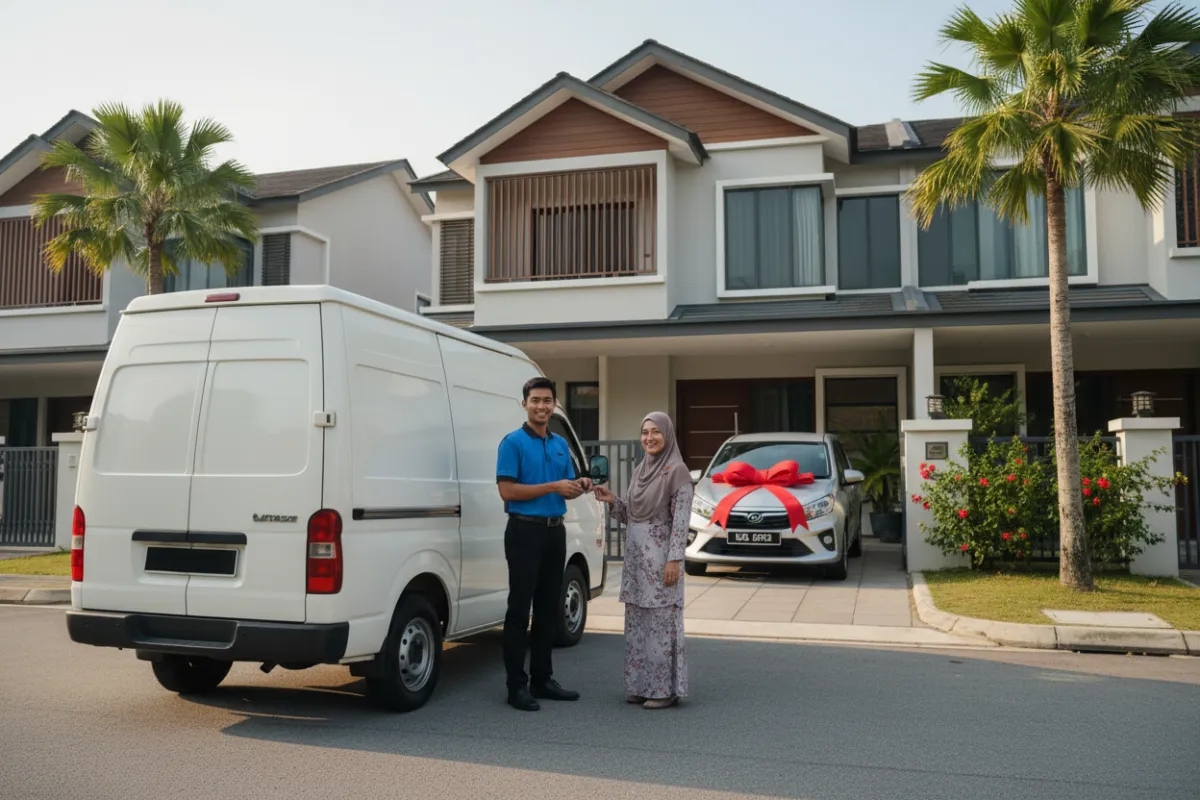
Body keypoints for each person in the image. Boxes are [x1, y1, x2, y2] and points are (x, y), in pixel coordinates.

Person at [495, 376, 591, 712]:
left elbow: (567, 483)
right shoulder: (512, 443)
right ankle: (515, 686)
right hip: (524, 532)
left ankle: (542, 679)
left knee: (548, 609)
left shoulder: (560, 444)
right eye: (535, 400)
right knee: (520, 611)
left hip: (554, 531)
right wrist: (553, 486)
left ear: (553, 405)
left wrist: (581, 483)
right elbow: (507, 491)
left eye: (547, 400)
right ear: (525, 404)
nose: (541, 406)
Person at [594, 411, 691, 709]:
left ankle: (662, 690)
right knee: (637, 623)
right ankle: (639, 685)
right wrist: (613, 502)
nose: (649, 438)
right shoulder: (640, 471)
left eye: (656, 432)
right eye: (645, 432)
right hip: (636, 560)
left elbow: (681, 521)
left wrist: (675, 558)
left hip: (662, 559)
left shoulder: (677, 472)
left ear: (667, 435)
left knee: (661, 624)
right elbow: (631, 516)